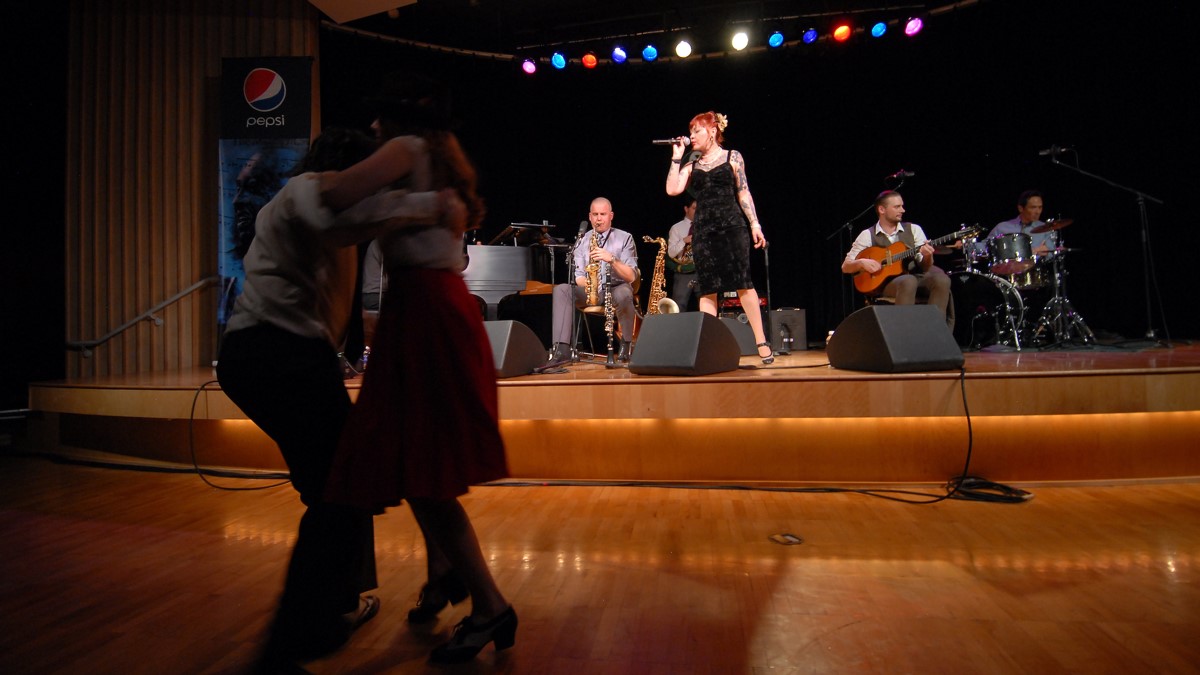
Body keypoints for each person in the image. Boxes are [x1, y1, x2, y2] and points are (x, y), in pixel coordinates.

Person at [216, 127, 466, 670]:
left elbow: (358, 227)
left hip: (282, 358)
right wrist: (428, 200)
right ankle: (292, 642)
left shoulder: (338, 222)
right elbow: (339, 210)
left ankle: (335, 610)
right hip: (277, 354)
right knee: (340, 489)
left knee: (340, 485)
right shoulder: (306, 189)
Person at [321, 73, 516, 665]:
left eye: (383, 117)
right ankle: (445, 579)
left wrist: (403, 207)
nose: (374, 128)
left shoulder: (406, 151)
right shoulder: (437, 159)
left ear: (403, 122)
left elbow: (331, 197)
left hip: (424, 311)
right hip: (433, 307)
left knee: (421, 470)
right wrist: (408, 210)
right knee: (421, 461)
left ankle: (490, 607)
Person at [664, 111, 773, 364]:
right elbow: (673, 189)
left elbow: (743, 192)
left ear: (712, 131)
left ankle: (761, 340)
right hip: (704, 230)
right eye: (690, 132)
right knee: (707, 288)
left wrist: (754, 223)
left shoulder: (732, 156)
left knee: (743, 282)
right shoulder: (692, 161)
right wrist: (677, 157)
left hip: (733, 227)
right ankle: (710, 347)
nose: (692, 136)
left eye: (696, 131)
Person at [544, 197, 640, 366]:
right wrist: (591, 286)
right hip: (592, 289)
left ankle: (626, 345)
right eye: (595, 214)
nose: (598, 219)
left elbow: (631, 276)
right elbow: (579, 276)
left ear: (611, 215)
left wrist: (612, 259)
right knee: (562, 290)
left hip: (616, 287)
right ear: (589, 217)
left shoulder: (625, 238)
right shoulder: (583, 240)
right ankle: (562, 349)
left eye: (603, 214)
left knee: (625, 293)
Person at [841, 190, 952, 320]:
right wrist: (862, 263)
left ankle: (936, 330)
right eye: (897, 207)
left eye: (902, 206)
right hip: (885, 284)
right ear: (882, 209)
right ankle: (904, 333)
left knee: (942, 280)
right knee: (908, 281)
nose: (903, 210)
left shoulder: (914, 229)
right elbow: (846, 266)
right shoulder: (867, 235)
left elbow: (925, 267)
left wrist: (927, 256)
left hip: (915, 276)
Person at [985, 189, 1056, 254]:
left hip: (1035, 267)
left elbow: (1052, 253)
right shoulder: (1002, 227)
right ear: (1020, 208)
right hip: (1008, 267)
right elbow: (985, 246)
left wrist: (1046, 252)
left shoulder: (1046, 229)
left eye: (1040, 207)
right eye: (1033, 207)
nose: (1038, 212)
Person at [666, 198, 700, 312]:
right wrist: (684, 240)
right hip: (684, 273)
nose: (698, 211)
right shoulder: (676, 228)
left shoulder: (704, 227)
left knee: (707, 303)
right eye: (694, 208)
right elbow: (671, 252)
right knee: (679, 306)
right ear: (686, 209)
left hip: (702, 271)